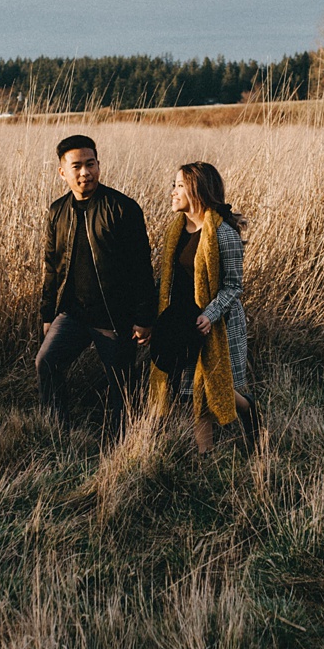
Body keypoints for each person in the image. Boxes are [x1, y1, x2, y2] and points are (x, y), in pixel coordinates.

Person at [36, 135, 156, 429]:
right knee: (46, 362)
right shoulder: (57, 211)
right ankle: (57, 431)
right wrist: (48, 315)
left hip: (114, 315)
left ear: (98, 165)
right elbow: (51, 269)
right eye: (76, 166)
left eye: (90, 164)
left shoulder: (122, 208)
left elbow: (142, 267)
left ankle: (122, 445)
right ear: (62, 171)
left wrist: (144, 317)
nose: (85, 172)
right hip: (73, 314)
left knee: (122, 385)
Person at [148, 161, 261, 452]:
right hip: (182, 320)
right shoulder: (176, 231)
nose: (173, 192)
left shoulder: (224, 234)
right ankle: (205, 456)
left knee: (213, 386)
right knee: (193, 389)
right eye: (174, 185)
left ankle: (248, 408)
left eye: (180, 186)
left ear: (197, 191)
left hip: (216, 323)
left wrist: (209, 315)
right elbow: (168, 278)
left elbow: (234, 286)